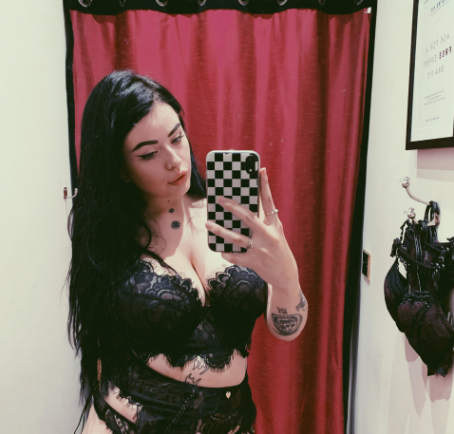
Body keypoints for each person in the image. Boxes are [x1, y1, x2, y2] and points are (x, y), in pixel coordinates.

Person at [68, 70, 308, 434]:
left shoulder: (233, 218)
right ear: (120, 169)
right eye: (149, 153)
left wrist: (286, 276)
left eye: (177, 138)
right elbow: (102, 345)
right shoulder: (113, 237)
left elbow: (287, 331)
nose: (175, 161)